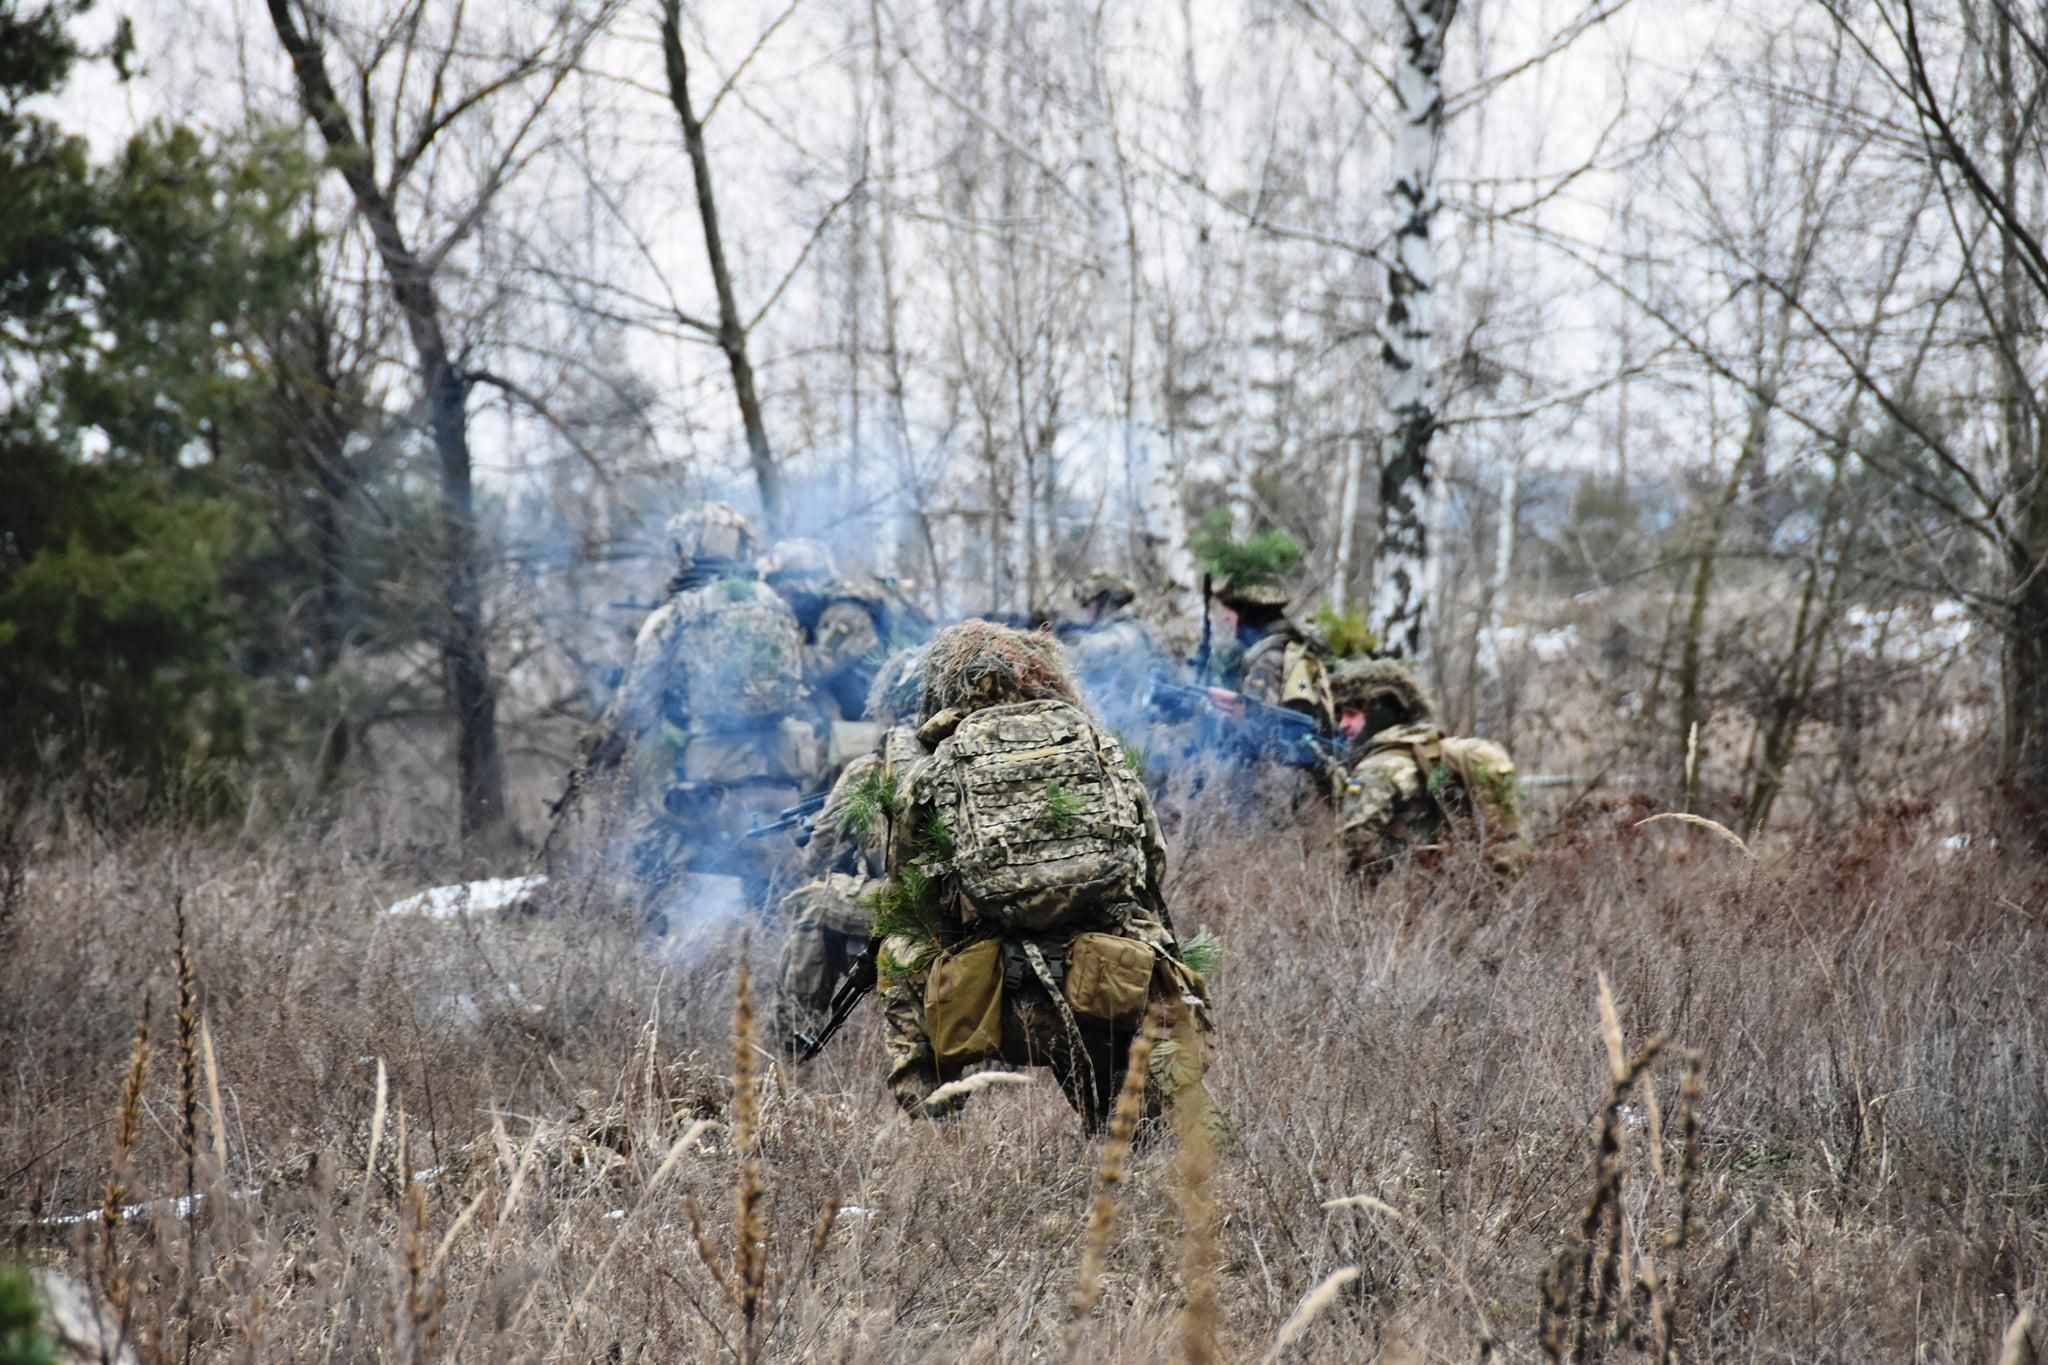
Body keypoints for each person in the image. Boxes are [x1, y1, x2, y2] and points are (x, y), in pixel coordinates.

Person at [872, 620, 1216, 1135]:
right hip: (1109, 984)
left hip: (988, 1001)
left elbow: (904, 886)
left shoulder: (937, 766)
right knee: (1149, 941)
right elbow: (1152, 864)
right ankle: (1142, 1125)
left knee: (895, 948)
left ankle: (934, 1119)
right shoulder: (1096, 745)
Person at [576, 503, 820, 929]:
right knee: (776, 897)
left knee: (647, 843)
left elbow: (634, 706)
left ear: (690, 548)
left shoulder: (676, 614)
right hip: (783, 776)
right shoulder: (777, 607)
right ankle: (775, 970)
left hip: (712, 783)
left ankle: (654, 956)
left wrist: (596, 753)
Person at [773, 645, 926, 1041]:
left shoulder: (873, 767)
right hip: (984, 906)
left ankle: (790, 1045)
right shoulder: (974, 752)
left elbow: (817, 857)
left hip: (918, 908)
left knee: (810, 903)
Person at [1329, 658, 1529, 879]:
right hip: (1454, 879)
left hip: (1412, 893)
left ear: (1378, 712)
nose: (1343, 725)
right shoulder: (1422, 747)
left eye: (1351, 714)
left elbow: (1354, 843)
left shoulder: (1378, 768)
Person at [1055, 570, 1169, 722]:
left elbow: (1080, 650)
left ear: (1103, 601)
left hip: (1122, 731)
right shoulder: (1136, 630)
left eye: (1087, 604)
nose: (1085, 611)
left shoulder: (1122, 635)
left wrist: (1045, 642)